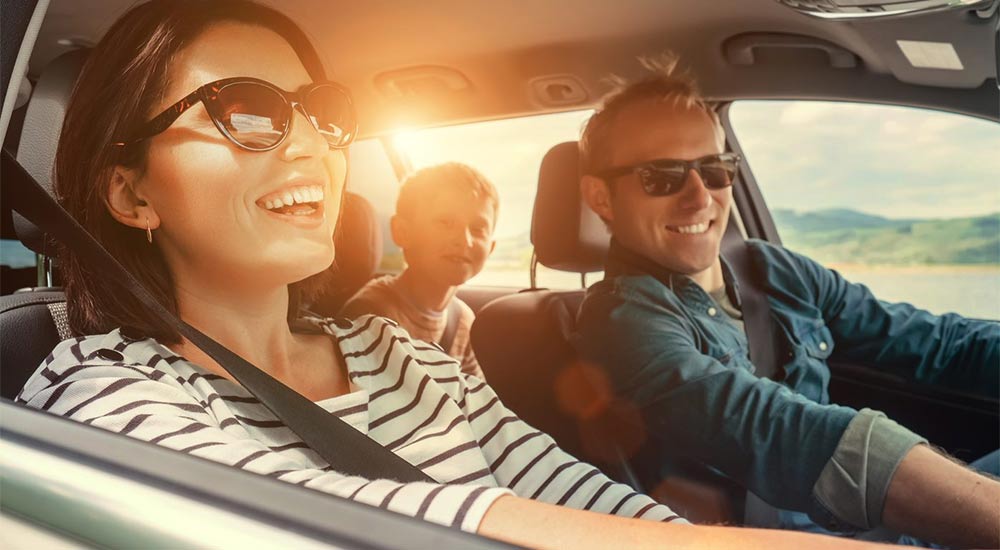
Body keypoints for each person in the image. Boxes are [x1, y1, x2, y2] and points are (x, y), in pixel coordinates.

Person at [12, 1, 896, 547]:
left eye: (323, 112)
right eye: (247, 111)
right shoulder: (100, 393)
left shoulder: (406, 358)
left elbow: (586, 500)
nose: (316, 143)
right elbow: (342, 520)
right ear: (131, 194)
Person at [572, 53, 1000, 548]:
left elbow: (934, 341)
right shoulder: (621, 321)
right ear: (601, 199)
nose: (699, 197)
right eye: (661, 177)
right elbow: (776, 431)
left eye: (714, 170)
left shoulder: (772, 270)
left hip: (866, 522)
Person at [339, 163, 497, 379]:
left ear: (491, 248)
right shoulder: (371, 314)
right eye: (445, 222)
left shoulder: (462, 319)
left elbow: (476, 401)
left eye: (478, 229)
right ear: (402, 232)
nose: (464, 240)